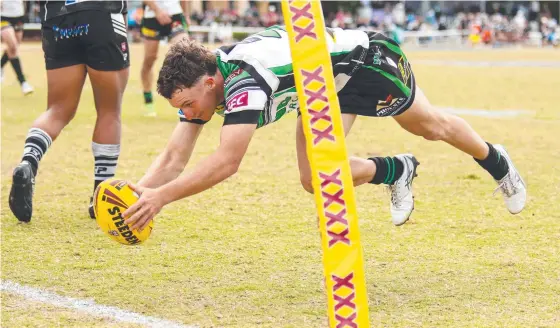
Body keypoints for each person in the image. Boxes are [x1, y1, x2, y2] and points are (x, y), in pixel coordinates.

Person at [121, 26, 526, 231]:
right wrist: (137, 194)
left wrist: (162, 198)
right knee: (315, 178)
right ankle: (396, 170)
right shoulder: (208, 81)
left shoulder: (245, 82)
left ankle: (496, 160)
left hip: (366, 63)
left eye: (189, 103)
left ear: (210, 82)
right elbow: (176, 154)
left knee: (430, 126)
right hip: (320, 89)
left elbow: (227, 162)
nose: (190, 113)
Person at [8, 0, 130, 222]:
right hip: (102, 12)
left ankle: (29, 161)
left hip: (57, 15)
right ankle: (99, 196)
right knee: (109, 111)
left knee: (57, 109)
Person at [140, 0, 189, 117]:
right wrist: (157, 10)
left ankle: (187, 102)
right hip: (152, 16)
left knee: (185, 51)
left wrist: (186, 14)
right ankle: (148, 101)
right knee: (149, 59)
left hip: (175, 14)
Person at [0, 0, 33, 94]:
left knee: (13, 47)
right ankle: (23, 82)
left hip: (18, 15)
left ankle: (0, 65)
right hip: (3, 16)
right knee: (13, 45)